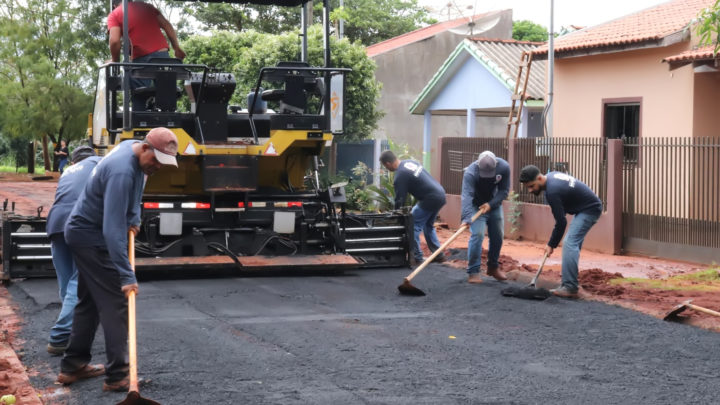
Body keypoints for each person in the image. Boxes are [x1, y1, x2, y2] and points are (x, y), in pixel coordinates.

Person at [56, 127, 178, 392]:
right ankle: (118, 375)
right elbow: (112, 230)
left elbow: (137, 186)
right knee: (116, 302)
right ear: (145, 148)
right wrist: (126, 275)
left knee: (88, 302)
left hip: (83, 232)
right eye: (155, 159)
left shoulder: (132, 149)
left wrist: (134, 217)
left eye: (163, 162)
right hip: (91, 236)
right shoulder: (122, 170)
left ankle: (73, 365)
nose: (158, 166)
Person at [45, 146, 101, 356]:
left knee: (67, 282)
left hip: (56, 223)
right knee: (79, 281)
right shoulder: (98, 164)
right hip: (79, 223)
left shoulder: (68, 171)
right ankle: (59, 336)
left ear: (74, 160)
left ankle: (70, 331)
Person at [519, 165, 602, 298]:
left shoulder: (552, 191)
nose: (530, 190)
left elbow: (561, 222)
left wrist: (551, 244)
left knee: (569, 243)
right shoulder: (551, 178)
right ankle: (571, 281)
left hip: (589, 209)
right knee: (573, 243)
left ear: (540, 178)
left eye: (531, 186)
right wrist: (552, 243)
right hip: (583, 208)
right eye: (527, 187)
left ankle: (570, 287)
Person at [107, 0, 186, 110]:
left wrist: (115, 61)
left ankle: (139, 121)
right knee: (167, 96)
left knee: (139, 95)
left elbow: (114, 41)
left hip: (142, 60)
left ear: (114, 5)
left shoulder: (115, 14)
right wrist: (176, 48)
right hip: (163, 57)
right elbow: (167, 25)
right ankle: (168, 120)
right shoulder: (147, 6)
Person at [379, 150, 447, 265]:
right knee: (428, 225)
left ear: (387, 164)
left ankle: (416, 257)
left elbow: (400, 199)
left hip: (429, 199)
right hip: (440, 194)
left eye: (385, 167)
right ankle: (438, 255)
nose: (386, 169)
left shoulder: (400, 175)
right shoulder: (409, 162)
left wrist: (396, 214)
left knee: (412, 226)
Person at [461, 151, 510, 284]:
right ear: (478, 165)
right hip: (476, 205)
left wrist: (491, 204)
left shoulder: (504, 167)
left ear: (496, 165)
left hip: (494, 204)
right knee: (477, 234)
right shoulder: (470, 173)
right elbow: (467, 195)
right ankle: (473, 271)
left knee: (498, 235)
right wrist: (466, 218)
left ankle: (493, 267)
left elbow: (503, 191)